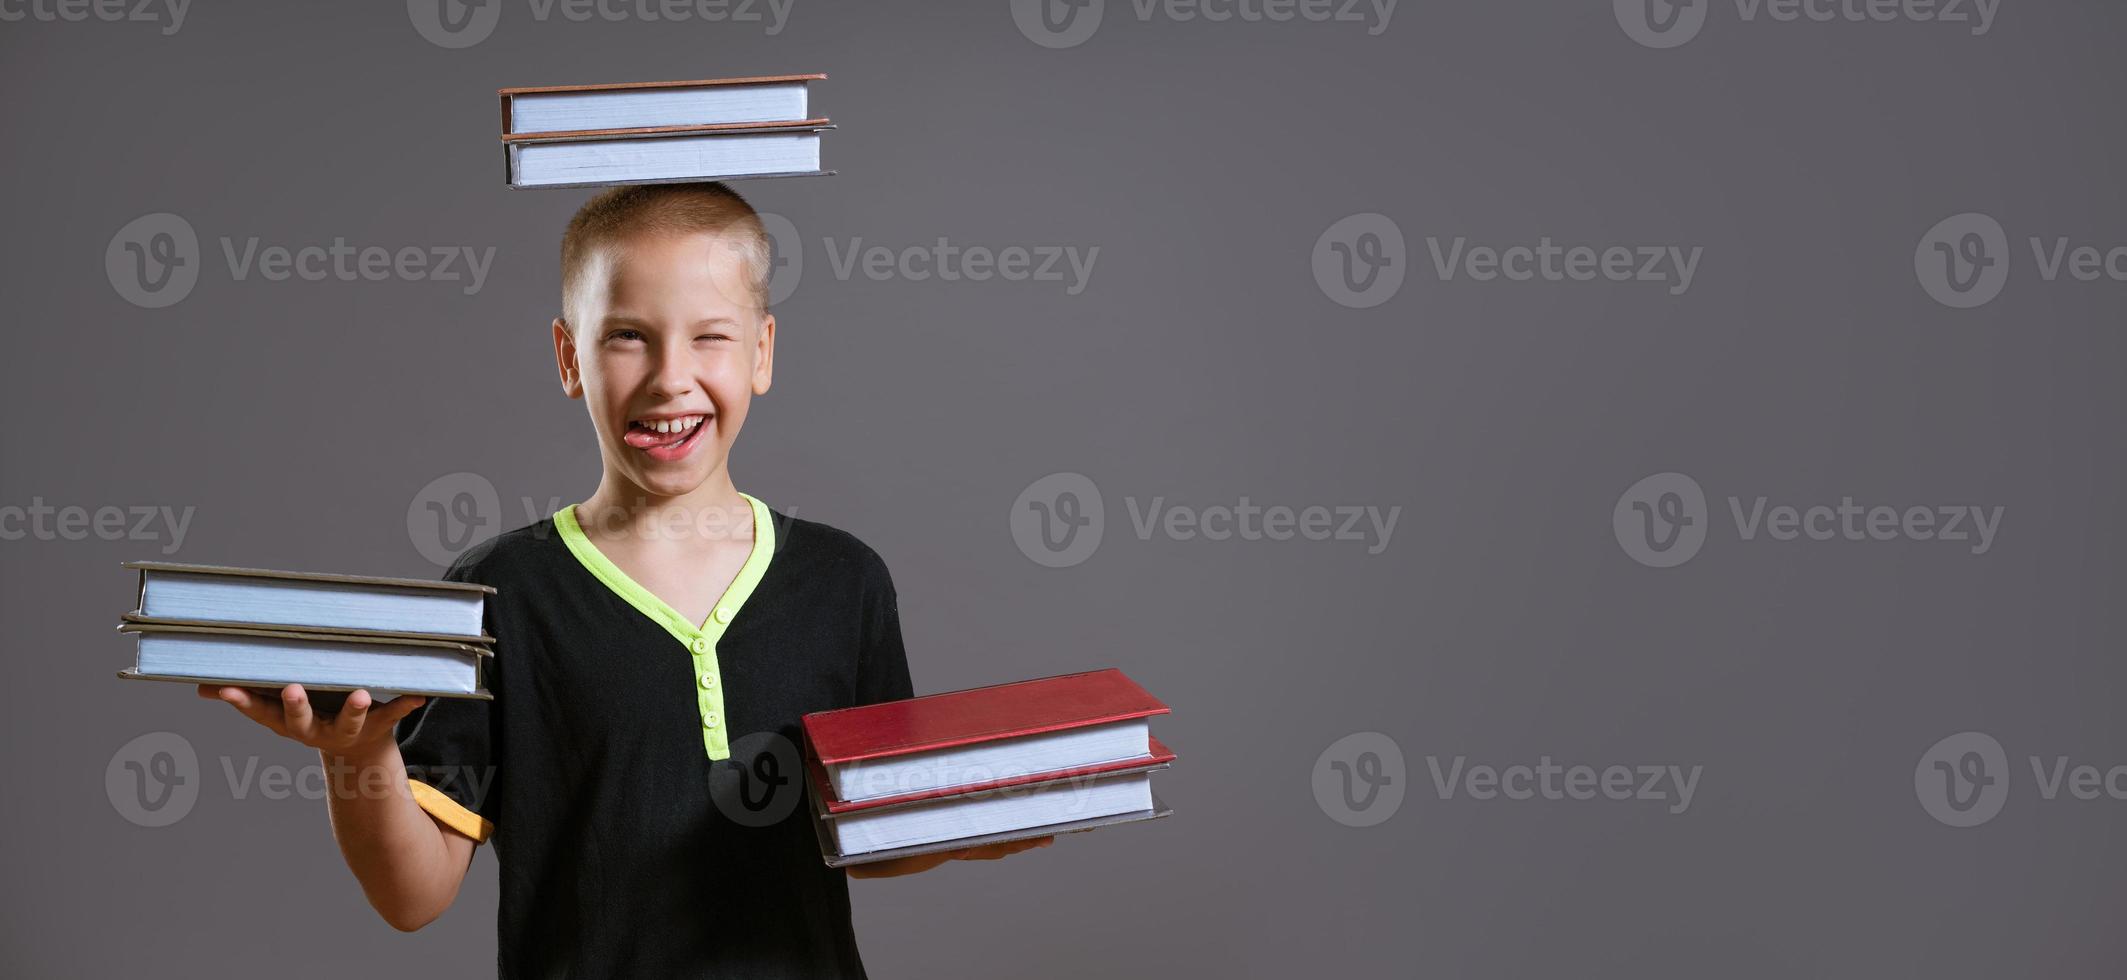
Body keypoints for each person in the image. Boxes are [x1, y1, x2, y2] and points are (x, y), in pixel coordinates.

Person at [200, 181, 1049, 978]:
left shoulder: (844, 579)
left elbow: (871, 834)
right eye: (626, 335)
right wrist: (362, 757)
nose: (669, 376)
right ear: (569, 357)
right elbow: (412, 897)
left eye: (709, 335)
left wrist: (971, 819)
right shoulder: (499, 594)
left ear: (762, 351)